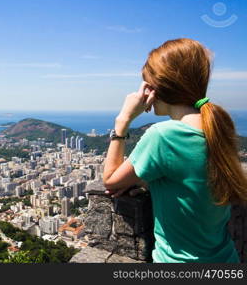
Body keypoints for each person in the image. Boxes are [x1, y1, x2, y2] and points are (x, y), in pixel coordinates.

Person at [102, 38, 247, 263]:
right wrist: (148, 181)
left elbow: (110, 180)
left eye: (146, 85)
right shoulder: (218, 128)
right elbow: (193, 180)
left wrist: (122, 121)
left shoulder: (163, 135)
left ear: (159, 87)